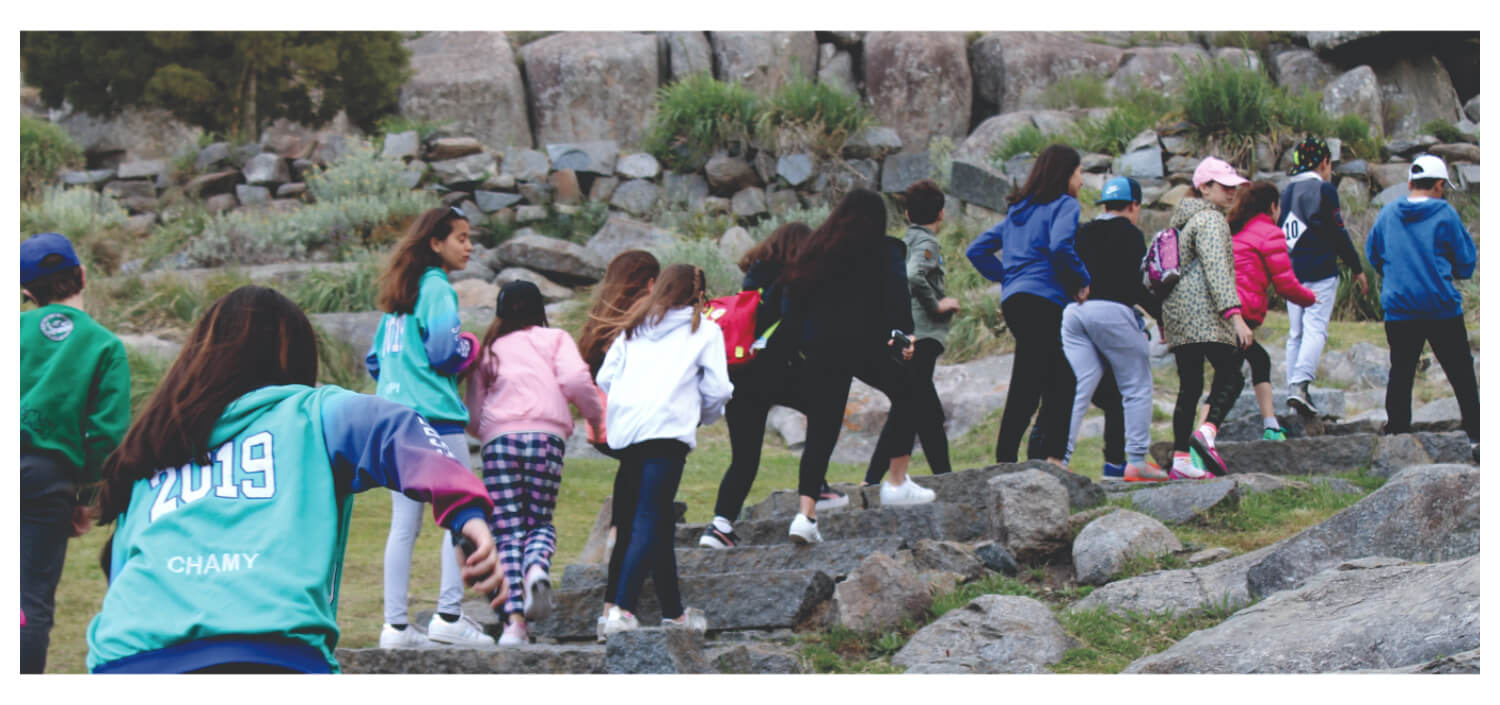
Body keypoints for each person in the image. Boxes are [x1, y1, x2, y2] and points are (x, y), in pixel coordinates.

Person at [85, 286, 503, 673]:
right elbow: (398, 429)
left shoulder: (151, 449)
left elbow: (123, 572)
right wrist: (465, 511)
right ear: (294, 355)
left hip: (126, 658)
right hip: (268, 655)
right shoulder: (313, 413)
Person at [367, 205, 493, 648]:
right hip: (437, 420)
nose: (470, 246)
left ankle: (395, 627)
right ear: (436, 243)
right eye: (461, 237)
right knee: (460, 515)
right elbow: (445, 352)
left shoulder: (398, 297)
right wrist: (471, 347)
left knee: (404, 524)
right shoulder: (438, 289)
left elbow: (374, 360)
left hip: (394, 421)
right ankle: (449, 616)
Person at [463, 280, 605, 646]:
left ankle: (514, 625)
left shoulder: (490, 349)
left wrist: (485, 432)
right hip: (546, 439)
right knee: (539, 520)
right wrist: (595, 416)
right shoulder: (555, 339)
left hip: (499, 443)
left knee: (507, 530)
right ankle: (537, 568)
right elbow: (576, 378)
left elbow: (474, 409)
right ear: (539, 310)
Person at [778, 188, 922, 545]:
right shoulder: (884, 249)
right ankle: (897, 482)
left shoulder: (815, 251)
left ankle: (806, 514)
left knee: (821, 431)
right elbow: (897, 297)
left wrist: (793, 349)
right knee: (910, 391)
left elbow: (792, 302)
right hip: (863, 344)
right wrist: (903, 334)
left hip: (821, 348)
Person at [597, 264, 733, 635]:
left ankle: (674, 614)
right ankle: (621, 610)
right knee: (648, 518)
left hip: (629, 434)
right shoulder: (704, 330)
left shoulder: (634, 326)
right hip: (667, 433)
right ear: (699, 296)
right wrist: (702, 415)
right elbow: (720, 389)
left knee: (654, 522)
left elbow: (604, 377)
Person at [20, 233, 131, 673]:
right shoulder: (104, 345)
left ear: (25, 291)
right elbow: (106, 435)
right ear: (82, 276)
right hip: (49, 479)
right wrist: (82, 498)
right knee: (28, 600)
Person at [966, 144, 1090, 466]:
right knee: (1054, 380)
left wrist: (1008, 278)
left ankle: (1027, 456)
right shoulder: (1066, 206)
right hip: (1042, 301)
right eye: (1079, 173)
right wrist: (1081, 279)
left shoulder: (1019, 211)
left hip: (1016, 303)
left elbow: (976, 251)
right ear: (1066, 174)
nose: (1082, 181)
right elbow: (1061, 245)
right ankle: (1047, 460)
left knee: (1041, 377)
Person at [700, 222, 818, 550]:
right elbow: (790, 327)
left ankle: (719, 525)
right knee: (825, 408)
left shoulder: (753, 277)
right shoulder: (791, 280)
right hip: (773, 372)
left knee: (744, 458)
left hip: (738, 375)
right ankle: (817, 487)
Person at [1364, 154, 1479, 462]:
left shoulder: (1387, 213)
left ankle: (1398, 436)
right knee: (1461, 372)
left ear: (1411, 182)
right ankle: (1477, 436)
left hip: (1400, 307)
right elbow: (1467, 262)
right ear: (1439, 185)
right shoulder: (1445, 214)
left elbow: (1373, 254)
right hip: (1440, 305)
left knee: (1401, 371)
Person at [1059, 177, 1167, 481]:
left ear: (1104, 205)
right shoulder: (1130, 234)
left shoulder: (1084, 230)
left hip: (1075, 312)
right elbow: (1136, 285)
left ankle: (1059, 458)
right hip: (1113, 311)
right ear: (1134, 206)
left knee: (1080, 386)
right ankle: (1135, 461)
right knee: (1136, 384)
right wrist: (1160, 316)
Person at [575, 249, 659, 639]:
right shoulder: (640, 319)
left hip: (606, 430)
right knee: (639, 517)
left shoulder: (600, 319)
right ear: (648, 282)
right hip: (636, 428)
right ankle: (616, 606)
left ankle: (615, 603)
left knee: (633, 505)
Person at [1162, 157, 1254, 479]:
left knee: (1190, 386)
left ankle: (1180, 461)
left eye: (1234, 187)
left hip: (1178, 313)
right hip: (1205, 314)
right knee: (1232, 373)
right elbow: (1217, 271)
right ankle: (1208, 432)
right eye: (1224, 186)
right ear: (1204, 187)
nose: (1231, 193)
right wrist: (1235, 316)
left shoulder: (1181, 221)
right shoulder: (1211, 221)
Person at [866, 179, 959, 487]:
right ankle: (875, 479)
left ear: (906, 215)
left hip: (908, 333)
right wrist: (938, 305)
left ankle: (944, 477)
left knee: (923, 410)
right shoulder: (927, 244)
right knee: (911, 408)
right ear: (942, 214)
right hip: (924, 335)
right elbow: (914, 275)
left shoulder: (903, 243)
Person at [1278, 136, 1368, 416]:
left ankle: (1292, 393)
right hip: (1320, 270)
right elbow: (1338, 231)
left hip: (1291, 271)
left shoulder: (1286, 193)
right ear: (1324, 162)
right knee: (1315, 328)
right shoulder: (1324, 191)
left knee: (1295, 333)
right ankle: (1299, 386)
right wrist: (1356, 267)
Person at [1227, 181, 1319, 441]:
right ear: (1272, 206)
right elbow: (1285, 284)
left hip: (1225, 311)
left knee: (1257, 362)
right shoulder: (1269, 233)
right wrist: (1312, 299)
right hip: (1237, 315)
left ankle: (1271, 425)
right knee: (1228, 381)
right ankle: (1202, 435)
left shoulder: (1236, 229)